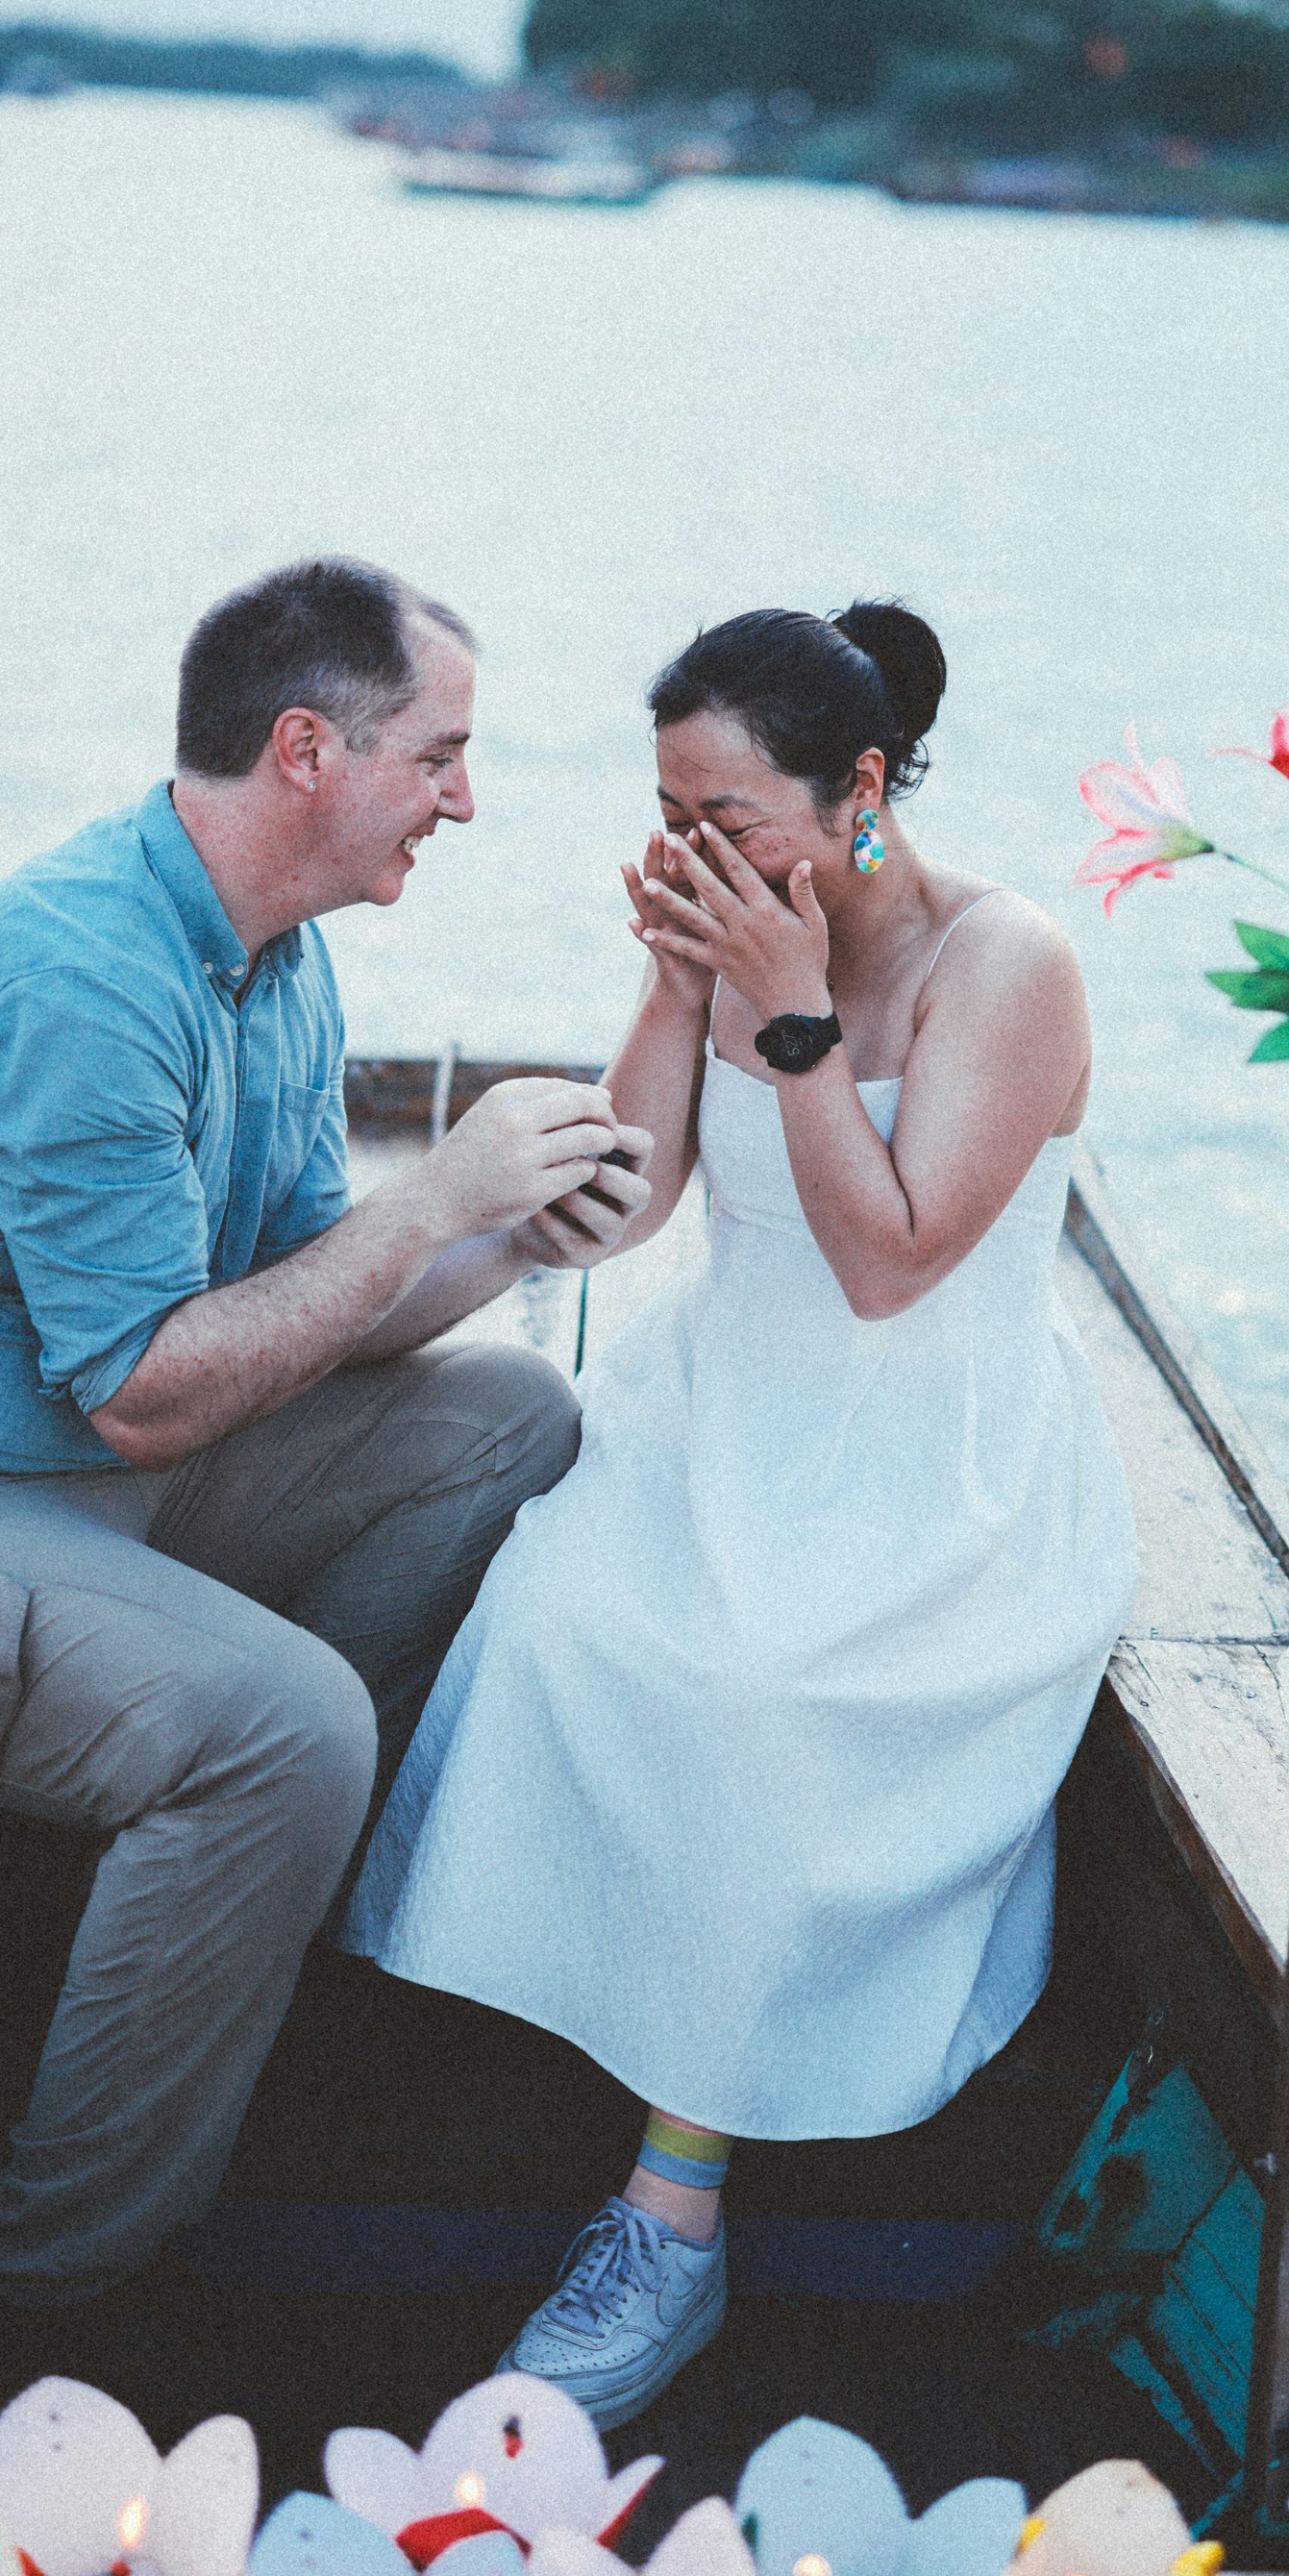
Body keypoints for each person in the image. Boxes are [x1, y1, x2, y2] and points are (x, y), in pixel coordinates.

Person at [0, 557, 653, 2309]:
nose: (465, 797)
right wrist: (430, 1189)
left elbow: (310, 1303)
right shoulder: (80, 972)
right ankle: (43, 2295)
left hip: (41, 1485)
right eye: (438, 755)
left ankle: (182, 1898)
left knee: (510, 1417)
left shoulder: (272, 962)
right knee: (281, 1731)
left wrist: (510, 1237)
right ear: (307, 750)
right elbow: (146, 1394)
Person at [342, 600, 1137, 2423]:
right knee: (548, 1611)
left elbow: (890, 1265)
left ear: (857, 789)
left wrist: (783, 1017)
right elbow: (621, 1216)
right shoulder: (731, 930)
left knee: (764, 1707)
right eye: (670, 812)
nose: (700, 849)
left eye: (730, 815)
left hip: (932, 1457)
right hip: (722, 1410)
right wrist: (666, 988)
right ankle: (527, 2069)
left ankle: (670, 2218)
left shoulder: (999, 966)